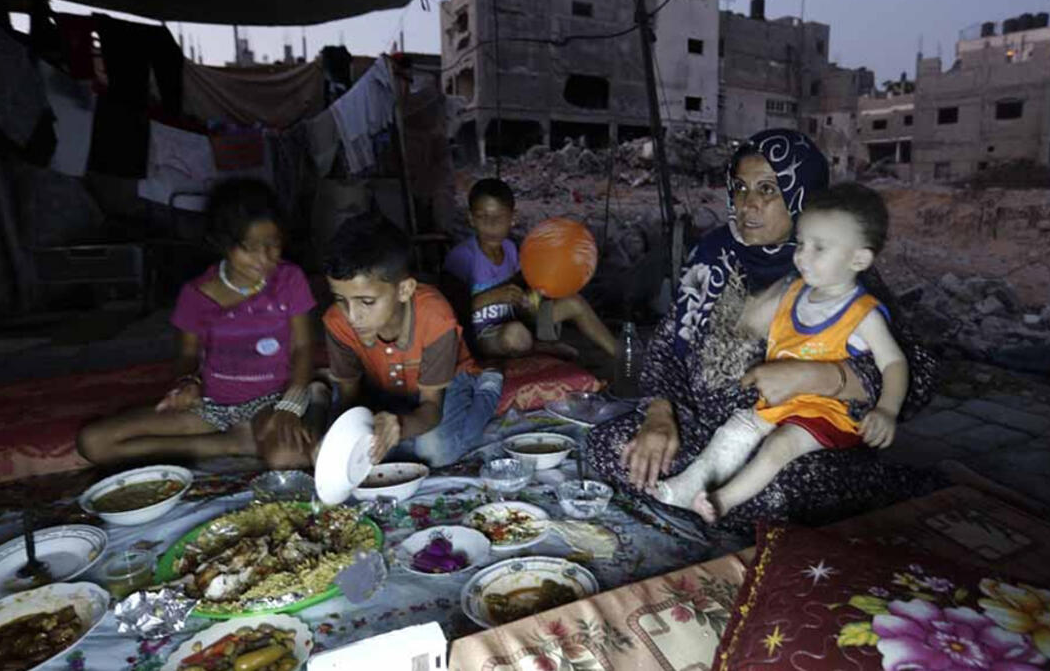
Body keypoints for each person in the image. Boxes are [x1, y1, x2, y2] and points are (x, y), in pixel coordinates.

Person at [584, 129, 943, 533]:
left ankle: (872, 486)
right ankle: (702, 494)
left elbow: (918, 374)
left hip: (797, 441)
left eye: (768, 189)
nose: (748, 203)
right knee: (611, 447)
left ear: (802, 196)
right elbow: (668, 346)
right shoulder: (713, 254)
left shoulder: (835, 270)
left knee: (777, 492)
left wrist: (820, 376)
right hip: (714, 434)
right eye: (740, 187)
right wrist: (659, 414)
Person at [653, 183, 908, 523]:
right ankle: (689, 486)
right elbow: (747, 324)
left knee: (779, 446)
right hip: (780, 404)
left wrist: (887, 409)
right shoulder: (793, 292)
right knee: (733, 430)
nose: (802, 256)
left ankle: (722, 501)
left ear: (858, 259)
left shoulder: (863, 314)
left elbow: (894, 363)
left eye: (819, 248)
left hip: (825, 412)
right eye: (801, 244)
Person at [78, 179, 322, 468]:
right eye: (249, 248)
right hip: (210, 406)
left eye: (273, 244)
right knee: (94, 442)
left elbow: (303, 347)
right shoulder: (195, 295)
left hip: (270, 402)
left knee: (286, 457)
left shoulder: (289, 280)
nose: (264, 258)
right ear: (223, 244)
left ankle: (238, 441)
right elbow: (188, 354)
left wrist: (290, 406)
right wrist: (187, 383)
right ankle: (234, 443)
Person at [323, 214, 503, 467]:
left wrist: (400, 426)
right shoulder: (336, 321)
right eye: (341, 300)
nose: (352, 316)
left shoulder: (435, 318)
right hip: (383, 388)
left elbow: (431, 408)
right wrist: (337, 443)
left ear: (404, 290)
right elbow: (349, 400)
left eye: (367, 302)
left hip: (443, 383)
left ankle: (488, 387)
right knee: (364, 452)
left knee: (435, 453)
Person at [442, 178, 617, 361]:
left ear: (513, 218)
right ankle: (540, 347)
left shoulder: (511, 249)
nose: (491, 225)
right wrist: (492, 297)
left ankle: (622, 354)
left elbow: (524, 287)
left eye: (500, 217)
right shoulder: (461, 258)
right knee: (515, 335)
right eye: (482, 217)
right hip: (482, 335)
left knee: (574, 303)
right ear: (471, 218)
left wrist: (531, 297)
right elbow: (448, 310)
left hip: (517, 320)